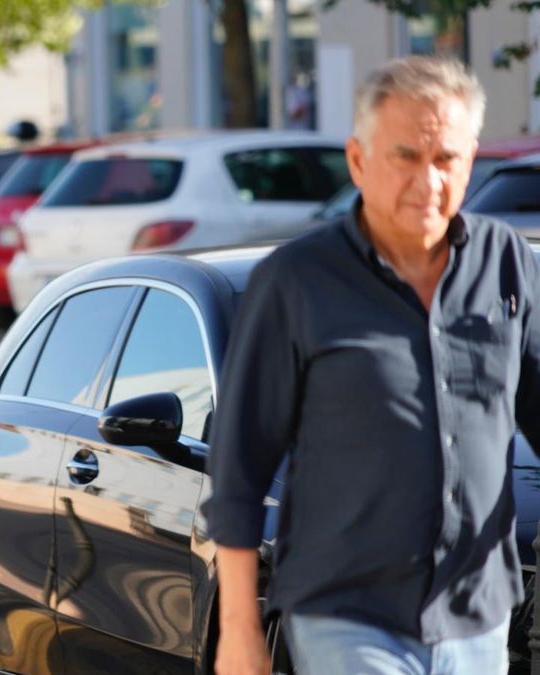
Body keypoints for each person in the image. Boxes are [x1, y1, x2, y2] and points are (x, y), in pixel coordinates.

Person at [206, 56, 540, 675]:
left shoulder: (507, 265)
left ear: (471, 161)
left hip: (477, 616)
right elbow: (238, 471)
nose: (429, 181)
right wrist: (239, 631)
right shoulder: (296, 282)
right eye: (406, 156)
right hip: (347, 616)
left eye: (447, 160)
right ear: (358, 161)